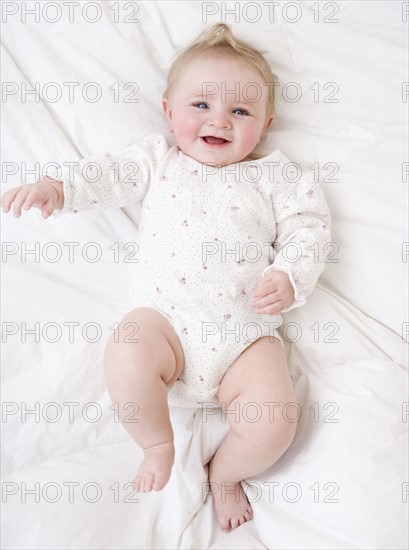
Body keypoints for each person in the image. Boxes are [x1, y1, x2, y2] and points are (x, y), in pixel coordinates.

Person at [1, 23, 331, 533]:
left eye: (239, 111)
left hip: (245, 339)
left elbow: (309, 229)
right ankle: (157, 441)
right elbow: (106, 175)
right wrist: (57, 188)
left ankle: (224, 474)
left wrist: (291, 275)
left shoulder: (275, 176)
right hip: (166, 325)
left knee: (274, 422)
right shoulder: (158, 159)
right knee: (126, 347)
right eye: (200, 105)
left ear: (264, 124)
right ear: (168, 110)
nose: (218, 119)